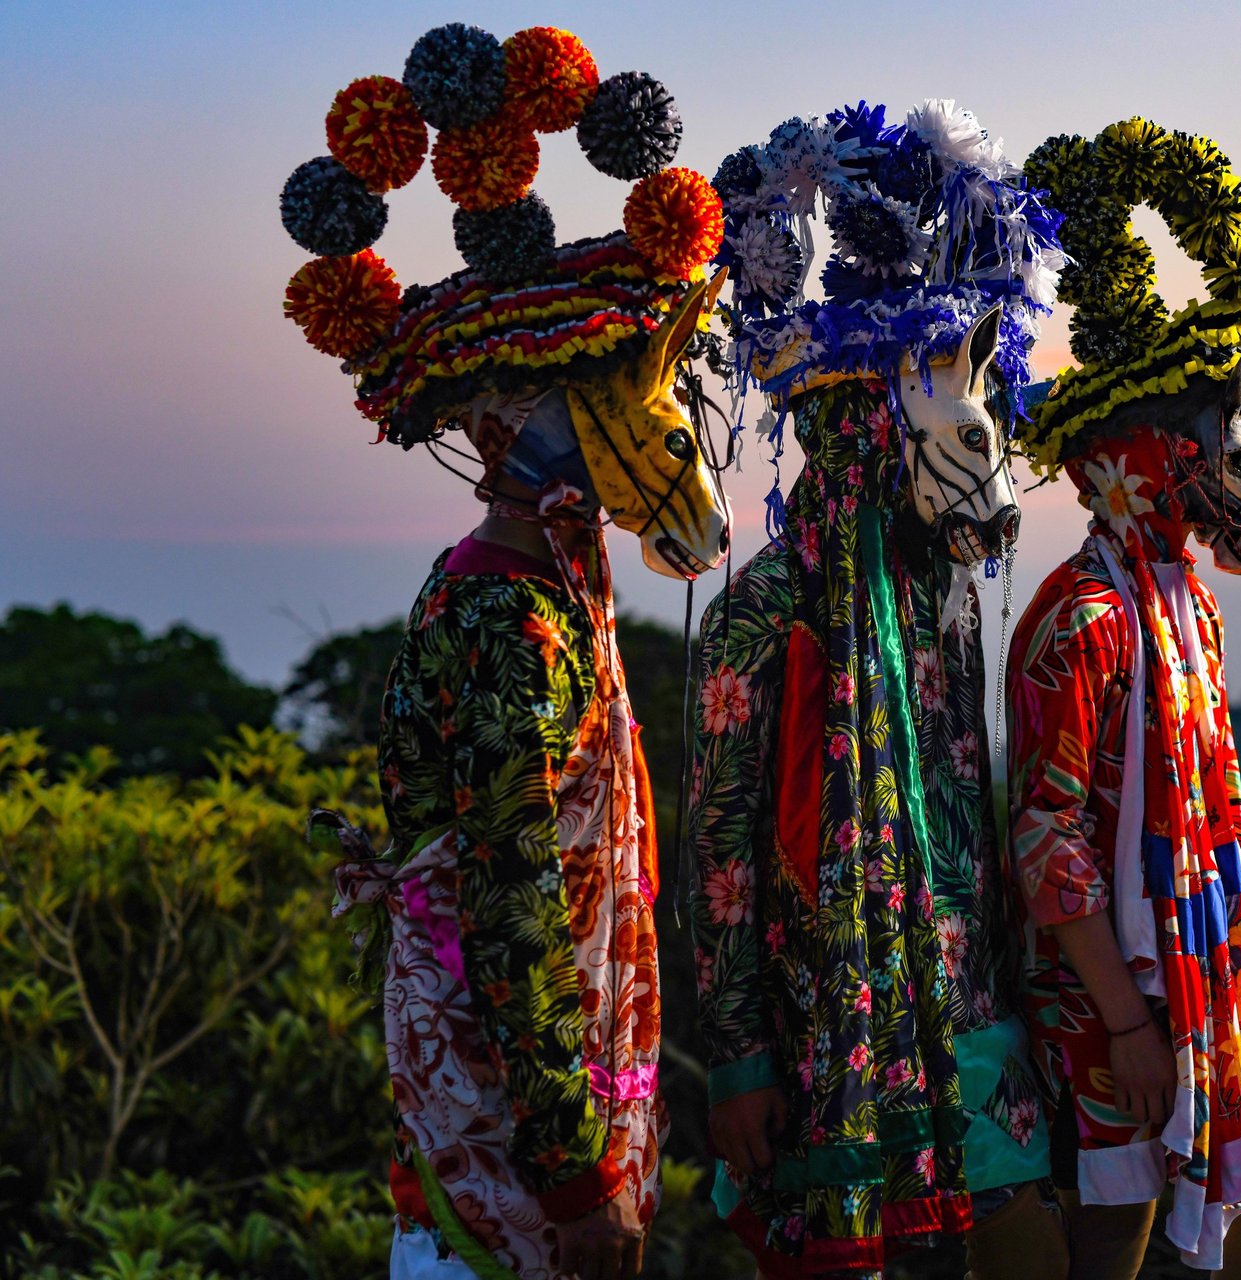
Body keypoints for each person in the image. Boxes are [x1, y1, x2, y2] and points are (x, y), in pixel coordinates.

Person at [288, 24, 732, 1278]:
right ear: (507, 423)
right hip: (511, 1146)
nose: (641, 415)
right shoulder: (504, 619)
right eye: (593, 387)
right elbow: (514, 910)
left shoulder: (539, 591)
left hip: (535, 1112)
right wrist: (575, 1171)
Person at [690, 102, 1069, 1280]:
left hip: (963, 1004)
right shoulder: (768, 607)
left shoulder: (933, 597)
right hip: (825, 1036)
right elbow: (722, 845)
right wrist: (742, 1054)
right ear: (868, 430)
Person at [1008, 118, 1241, 1280]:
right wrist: (1127, 1022)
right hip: (1112, 1006)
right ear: (1149, 453)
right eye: (1218, 449)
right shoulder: (1084, 615)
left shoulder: (1184, 601)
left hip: (1192, 987)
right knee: (1118, 1245)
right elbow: (1048, 835)